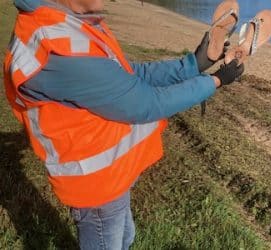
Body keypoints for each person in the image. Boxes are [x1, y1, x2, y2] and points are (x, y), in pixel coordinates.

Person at [3, 0, 244, 249]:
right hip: (96, 186)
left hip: (109, 177)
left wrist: (193, 65)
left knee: (125, 237)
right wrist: (214, 81)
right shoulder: (59, 52)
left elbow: (126, 74)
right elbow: (146, 104)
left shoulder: (65, 23)